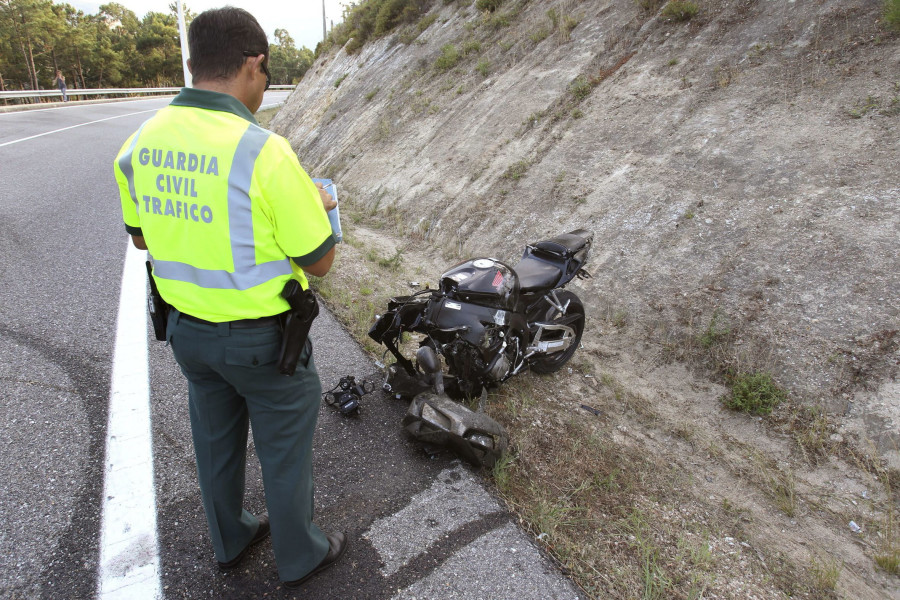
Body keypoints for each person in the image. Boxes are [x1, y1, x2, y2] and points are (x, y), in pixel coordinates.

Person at [112, 7, 346, 589]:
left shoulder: (138, 143)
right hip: (265, 344)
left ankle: (230, 539)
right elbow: (319, 260)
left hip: (187, 335)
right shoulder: (264, 151)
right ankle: (300, 556)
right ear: (254, 64)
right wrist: (321, 205)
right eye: (266, 77)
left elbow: (142, 236)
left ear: (193, 63)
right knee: (284, 449)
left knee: (215, 441)